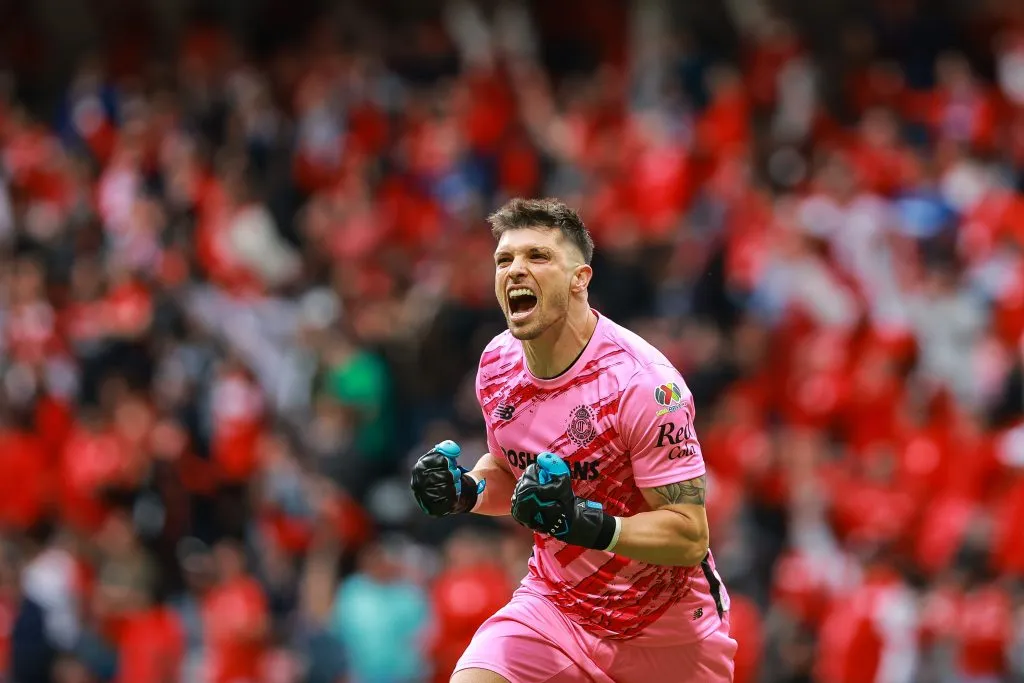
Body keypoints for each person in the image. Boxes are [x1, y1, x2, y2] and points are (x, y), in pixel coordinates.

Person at [410, 198, 737, 683]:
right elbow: (508, 471)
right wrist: (468, 491)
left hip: (666, 632)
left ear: (580, 278)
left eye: (537, 256)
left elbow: (689, 535)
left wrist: (590, 526)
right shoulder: (497, 365)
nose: (516, 270)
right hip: (555, 609)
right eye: (505, 259)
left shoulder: (644, 386)